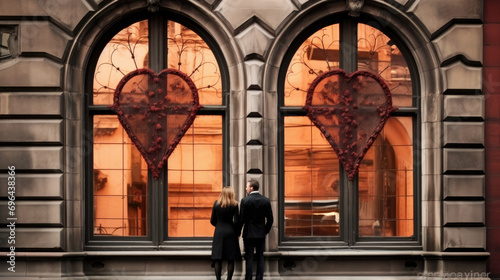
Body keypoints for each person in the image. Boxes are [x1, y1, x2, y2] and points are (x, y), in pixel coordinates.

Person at [239, 179, 273, 280]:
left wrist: (238, 232)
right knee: (260, 256)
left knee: (249, 257)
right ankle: (259, 278)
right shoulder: (266, 201)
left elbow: (242, 219)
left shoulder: (245, 201)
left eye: (247, 187)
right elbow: (270, 219)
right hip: (260, 234)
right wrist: (265, 230)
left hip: (248, 233)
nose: (246, 188)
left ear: (251, 188)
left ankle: (248, 278)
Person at [210, 186, 241, 280]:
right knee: (230, 258)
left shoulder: (216, 203)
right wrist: (237, 232)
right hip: (230, 232)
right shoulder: (235, 205)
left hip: (219, 232)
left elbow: (212, 220)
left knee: (217, 258)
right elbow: (237, 221)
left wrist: (219, 225)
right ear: (231, 194)